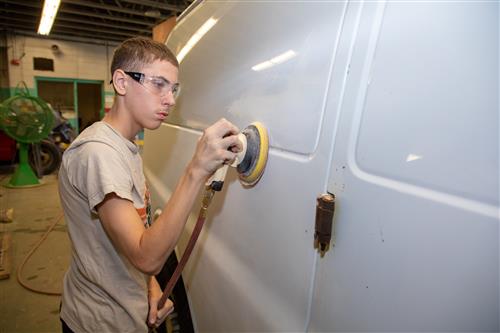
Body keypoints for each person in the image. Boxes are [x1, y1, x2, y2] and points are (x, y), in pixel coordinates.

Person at [58, 37, 241, 333]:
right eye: (159, 84)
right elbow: (147, 256)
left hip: (128, 311)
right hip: (100, 323)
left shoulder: (123, 146)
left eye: (174, 89)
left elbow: (130, 238)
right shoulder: (99, 153)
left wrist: (149, 286)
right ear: (121, 82)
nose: (169, 99)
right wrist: (195, 170)